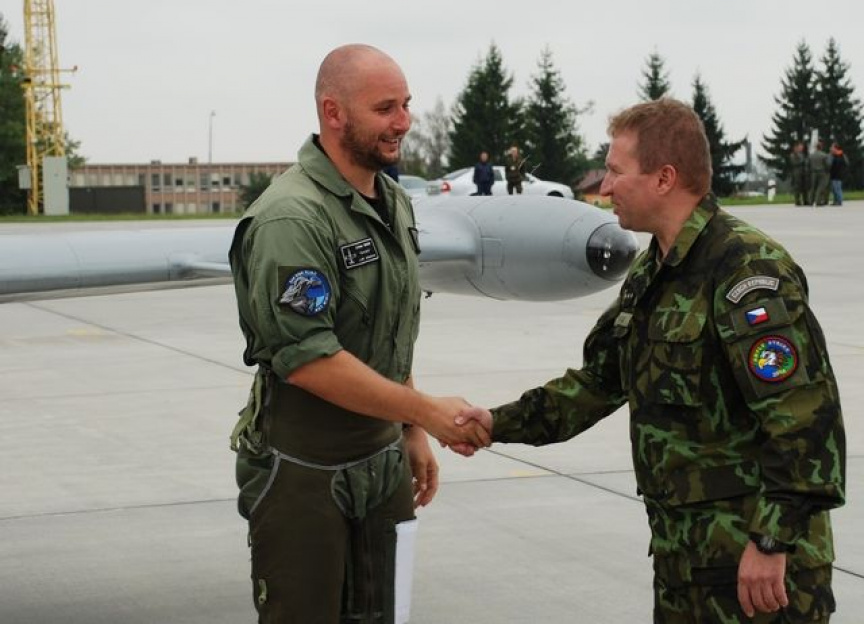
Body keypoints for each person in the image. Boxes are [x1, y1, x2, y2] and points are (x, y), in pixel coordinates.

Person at [456, 99, 845, 623]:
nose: (604, 188)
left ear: (664, 178)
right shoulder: (652, 271)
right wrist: (495, 423)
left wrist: (772, 542)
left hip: (758, 572)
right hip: (686, 561)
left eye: (616, 172)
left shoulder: (746, 270)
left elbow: (806, 421)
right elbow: (599, 382)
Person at [228, 44, 489, 623]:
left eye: (406, 104)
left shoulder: (392, 201)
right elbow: (309, 359)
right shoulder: (293, 218)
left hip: (380, 463)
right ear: (334, 112)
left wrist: (409, 431)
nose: (404, 122)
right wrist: (424, 411)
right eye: (385, 108)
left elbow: (389, 327)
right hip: (305, 471)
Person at [808, 141, 830, 206]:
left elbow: (808, 164)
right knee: (821, 187)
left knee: (813, 187)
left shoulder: (811, 155)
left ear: (816, 147)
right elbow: (827, 165)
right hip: (822, 172)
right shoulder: (824, 155)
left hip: (813, 172)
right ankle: (818, 200)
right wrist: (827, 171)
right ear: (821, 147)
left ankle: (810, 201)